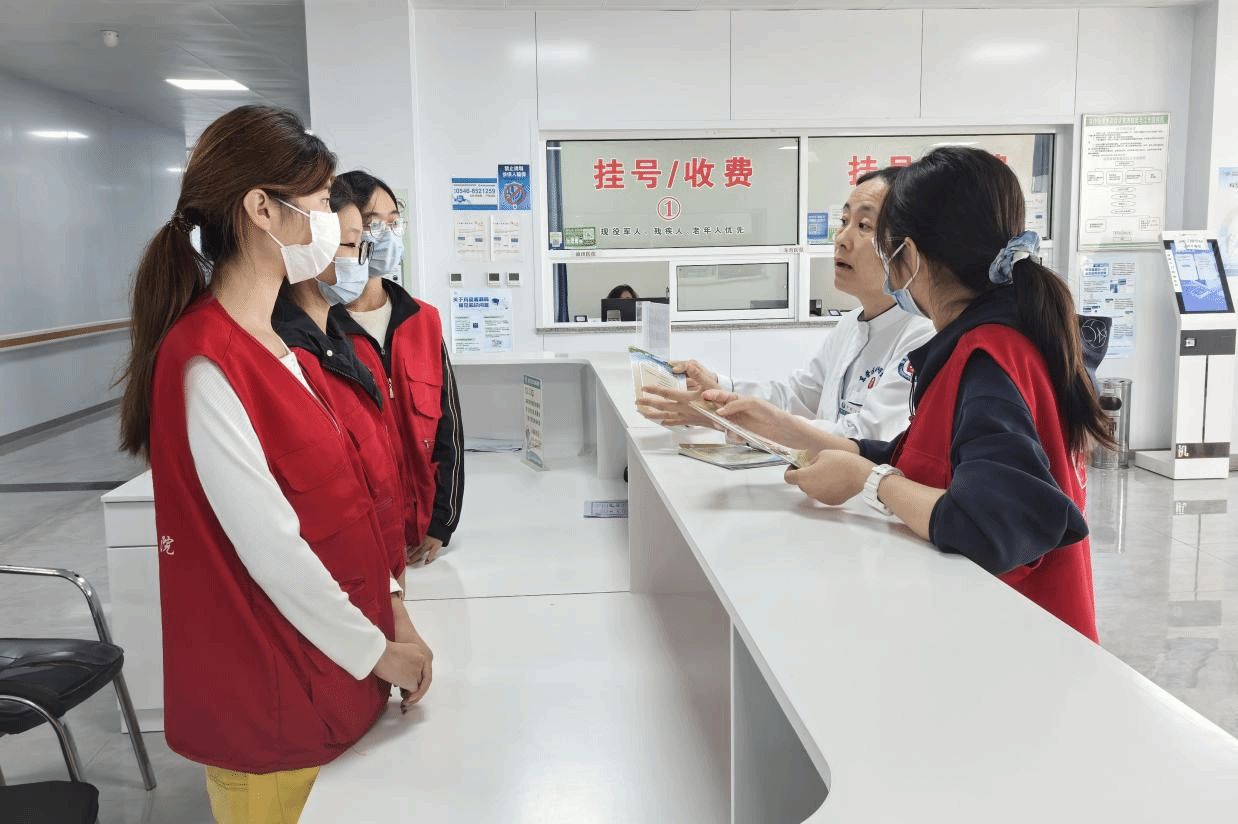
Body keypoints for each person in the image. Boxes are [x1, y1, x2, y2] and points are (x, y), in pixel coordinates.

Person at [118, 105, 430, 823]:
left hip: (337, 677)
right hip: (273, 706)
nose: (331, 220)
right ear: (262, 209)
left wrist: (393, 614)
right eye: (319, 201)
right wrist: (379, 652)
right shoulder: (206, 361)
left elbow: (346, 504)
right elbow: (273, 552)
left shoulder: (283, 348)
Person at [708, 147, 1111, 641]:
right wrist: (828, 451)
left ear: (910, 256)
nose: (850, 241)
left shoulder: (987, 359)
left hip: (1015, 637)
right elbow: (923, 457)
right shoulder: (986, 341)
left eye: (876, 236)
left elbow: (988, 524)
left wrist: (869, 480)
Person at [638, 167, 935, 444]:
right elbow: (799, 397)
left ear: (905, 246)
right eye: (844, 222)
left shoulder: (923, 334)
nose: (842, 239)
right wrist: (718, 387)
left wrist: (724, 417)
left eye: (864, 225)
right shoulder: (851, 324)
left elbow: (869, 439)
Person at [329, 171, 464, 566]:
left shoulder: (422, 319)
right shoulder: (321, 329)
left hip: (425, 542)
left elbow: (449, 430)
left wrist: (443, 523)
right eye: (374, 224)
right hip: (362, 544)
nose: (388, 236)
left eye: (394, 222)